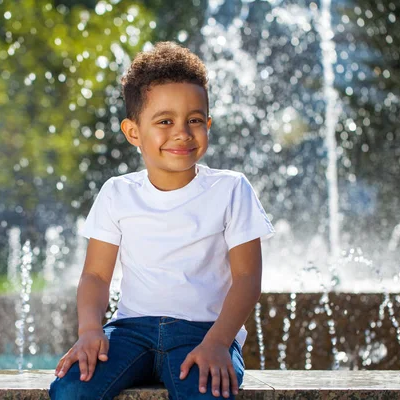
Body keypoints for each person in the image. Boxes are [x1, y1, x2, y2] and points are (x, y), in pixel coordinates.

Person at [49, 41, 275, 400]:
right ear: (133, 132)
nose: (182, 132)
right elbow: (94, 275)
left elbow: (248, 278)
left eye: (195, 120)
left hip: (203, 332)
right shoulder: (116, 193)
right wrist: (91, 329)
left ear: (209, 124)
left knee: (206, 392)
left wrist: (218, 342)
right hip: (129, 332)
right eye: (165, 121)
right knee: (71, 389)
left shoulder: (232, 189)